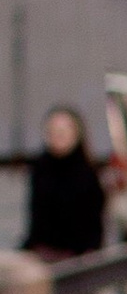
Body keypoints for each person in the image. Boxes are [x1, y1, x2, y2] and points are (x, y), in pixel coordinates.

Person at [24, 104, 107, 260]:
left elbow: (94, 225)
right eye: (52, 132)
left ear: (76, 134)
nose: (57, 137)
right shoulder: (40, 168)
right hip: (43, 252)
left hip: (78, 257)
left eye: (62, 132)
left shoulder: (87, 173)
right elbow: (36, 217)